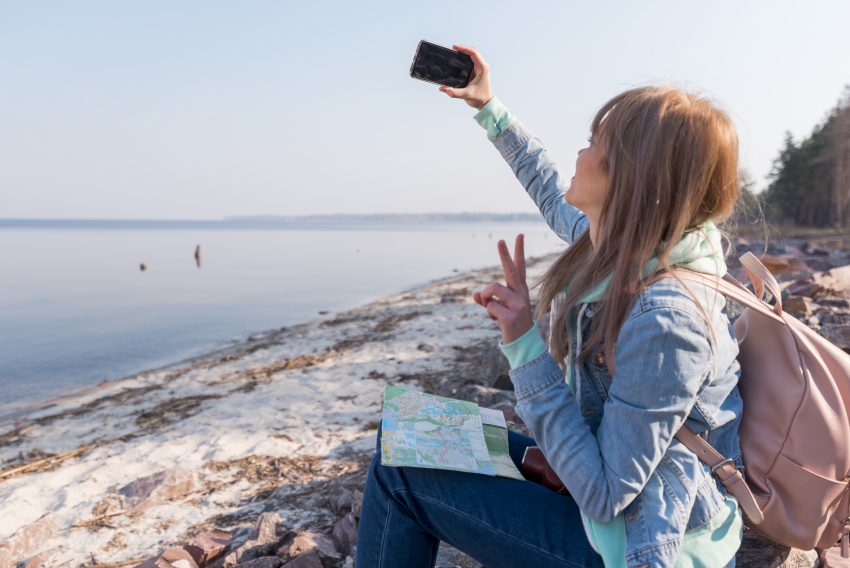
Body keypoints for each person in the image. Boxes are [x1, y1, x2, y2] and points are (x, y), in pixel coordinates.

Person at [356, 45, 745, 568]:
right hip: (619, 501)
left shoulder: (668, 320)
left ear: (631, 180)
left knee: (399, 472)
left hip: (640, 544)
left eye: (592, 146)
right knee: (404, 433)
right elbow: (546, 186)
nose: (579, 156)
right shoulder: (627, 249)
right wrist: (487, 106)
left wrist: (524, 344)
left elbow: (607, 494)